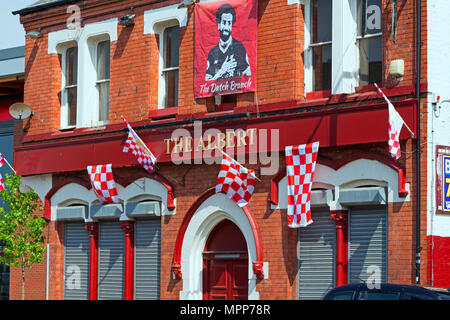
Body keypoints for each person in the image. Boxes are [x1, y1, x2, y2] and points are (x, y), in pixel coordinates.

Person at [205, 3, 251, 81]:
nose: (226, 27)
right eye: (224, 22)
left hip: (236, 91)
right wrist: (222, 71)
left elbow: (248, 73)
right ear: (218, 24)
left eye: (229, 23)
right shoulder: (212, 53)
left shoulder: (239, 47)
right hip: (217, 92)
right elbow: (206, 82)